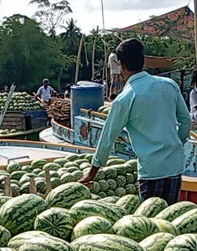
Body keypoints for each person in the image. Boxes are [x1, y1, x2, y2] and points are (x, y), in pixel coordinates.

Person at [80, 39, 191, 204]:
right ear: (143, 60)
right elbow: (186, 122)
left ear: (121, 65)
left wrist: (92, 173)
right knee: (170, 217)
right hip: (174, 167)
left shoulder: (125, 98)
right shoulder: (169, 85)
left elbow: (107, 138)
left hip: (151, 171)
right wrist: (175, 143)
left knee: (152, 222)